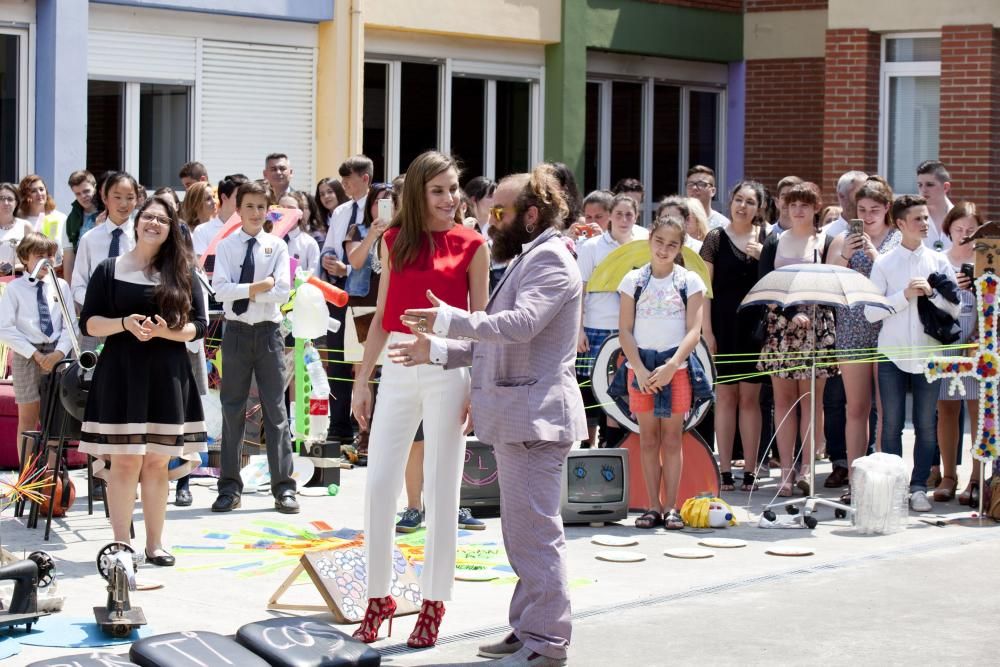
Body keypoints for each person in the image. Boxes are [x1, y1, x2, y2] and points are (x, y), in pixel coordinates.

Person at [389, 163, 588, 666]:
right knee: (522, 534)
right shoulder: (533, 255)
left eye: (501, 210)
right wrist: (436, 350)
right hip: (522, 416)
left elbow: (519, 326)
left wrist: (451, 320)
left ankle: (547, 643)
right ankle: (528, 629)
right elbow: (495, 347)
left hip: (535, 416)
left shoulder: (550, 260)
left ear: (532, 214)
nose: (491, 218)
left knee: (536, 535)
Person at [348, 151, 488, 648]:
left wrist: (478, 387)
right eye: (439, 191)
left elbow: (482, 326)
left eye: (454, 189)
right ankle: (377, 597)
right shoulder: (392, 240)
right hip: (397, 374)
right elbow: (384, 314)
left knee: (442, 489)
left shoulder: (474, 244)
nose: (451, 199)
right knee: (380, 486)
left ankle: (433, 601)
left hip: (449, 375)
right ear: (417, 195)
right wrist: (363, 380)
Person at [78, 195, 208, 566]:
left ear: (171, 230)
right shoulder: (109, 268)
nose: (154, 224)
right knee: (123, 462)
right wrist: (125, 324)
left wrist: (166, 331)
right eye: (148, 217)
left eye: (162, 220)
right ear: (136, 222)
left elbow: (199, 325)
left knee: (155, 463)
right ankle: (121, 546)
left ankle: (155, 544)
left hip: (167, 374)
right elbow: (89, 322)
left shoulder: (182, 271)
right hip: (121, 372)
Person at [865, 194, 959, 512]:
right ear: (901, 223)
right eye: (917, 218)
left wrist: (932, 294)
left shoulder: (939, 261)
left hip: (929, 356)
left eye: (925, 218)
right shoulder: (884, 262)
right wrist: (904, 296)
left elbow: (955, 308)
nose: (924, 223)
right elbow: (870, 313)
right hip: (891, 355)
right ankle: (894, 487)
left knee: (925, 423)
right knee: (890, 424)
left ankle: (919, 486)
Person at [211, 182, 299, 515]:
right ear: (239, 209)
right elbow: (219, 291)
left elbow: (281, 291)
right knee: (232, 409)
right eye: (249, 206)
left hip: (268, 333)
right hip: (235, 332)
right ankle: (229, 487)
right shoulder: (227, 246)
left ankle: (284, 488)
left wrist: (246, 290)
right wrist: (259, 286)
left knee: (276, 412)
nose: (256, 213)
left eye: (262, 207)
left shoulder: (276, 245)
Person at [618, 215, 707, 529]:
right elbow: (625, 331)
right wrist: (640, 370)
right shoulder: (633, 281)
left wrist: (672, 366)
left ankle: (672, 506)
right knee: (648, 440)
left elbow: (694, 331)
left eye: (672, 244)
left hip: (676, 369)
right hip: (640, 369)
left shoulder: (689, 281)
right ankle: (652, 507)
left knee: (673, 440)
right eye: (659, 241)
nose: (664, 249)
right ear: (649, 240)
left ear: (680, 247)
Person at [757, 183, 838, 496]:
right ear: (785, 208)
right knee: (783, 403)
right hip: (781, 325)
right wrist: (789, 314)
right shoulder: (774, 241)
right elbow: (765, 286)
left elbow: (833, 283)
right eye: (793, 205)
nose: (799, 210)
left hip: (817, 325)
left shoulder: (826, 240)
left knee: (811, 403)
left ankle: (807, 468)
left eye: (805, 204)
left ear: (815, 207)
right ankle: (786, 470)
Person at [826, 179, 900, 497]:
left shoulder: (898, 240)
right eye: (862, 210)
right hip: (852, 327)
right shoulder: (843, 237)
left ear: (887, 210)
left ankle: (881, 480)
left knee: (885, 409)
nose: (868, 217)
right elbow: (828, 281)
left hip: (888, 329)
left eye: (874, 210)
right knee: (855, 407)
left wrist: (875, 257)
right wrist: (844, 255)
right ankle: (856, 480)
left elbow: (899, 284)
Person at [700, 180, 768, 491]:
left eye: (750, 202)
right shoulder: (714, 238)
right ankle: (724, 469)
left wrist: (763, 258)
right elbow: (704, 291)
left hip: (754, 328)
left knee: (750, 399)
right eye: (738, 199)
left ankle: (751, 470)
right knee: (725, 398)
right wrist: (707, 332)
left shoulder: (767, 239)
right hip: (722, 326)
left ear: (759, 208)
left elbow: (775, 286)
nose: (743, 206)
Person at [576, 194, 649, 448]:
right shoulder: (592, 247)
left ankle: (617, 446)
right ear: (610, 217)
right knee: (592, 392)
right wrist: (579, 330)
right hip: (596, 327)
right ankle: (588, 449)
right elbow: (580, 291)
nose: (624, 219)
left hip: (632, 329)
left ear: (636, 216)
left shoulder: (645, 244)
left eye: (629, 214)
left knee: (625, 391)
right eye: (619, 214)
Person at [0, 232, 75, 464]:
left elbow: (70, 325)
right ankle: (27, 476)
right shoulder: (15, 289)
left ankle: (53, 474)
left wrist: (58, 353)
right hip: (27, 354)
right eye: (40, 255)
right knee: (28, 419)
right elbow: (5, 328)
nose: (47, 260)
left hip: (56, 356)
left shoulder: (60, 286)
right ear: (25, 258)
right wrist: (33, 354)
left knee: (53, 418)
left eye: (51, 255)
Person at [322, 155, 373, 443]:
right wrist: (329, 260)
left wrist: (349, 267)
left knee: (366, 359)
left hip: (364, 295)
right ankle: (339, 426)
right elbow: (329, 245)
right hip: (339, 294)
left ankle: (364, 429)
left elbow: (375, 254)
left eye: (348, 180)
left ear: (364, 178)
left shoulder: (379, 208)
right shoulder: (341, 212)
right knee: (338, 359)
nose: (344, 185)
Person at [933, 202, 981, 502]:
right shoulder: (936, 261)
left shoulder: (988, 261)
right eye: (958, 228)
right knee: (946, 411)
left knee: (978, 412)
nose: (964, 235)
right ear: (948, 229)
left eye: (971, 229)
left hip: (977, 347)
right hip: (942, 346)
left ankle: (977, 478)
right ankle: (948, 475)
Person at [72, 172, 141, 308]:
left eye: (130, 198)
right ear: (105, 198)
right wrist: (97, 302)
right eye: (117, 197)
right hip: (99, 316)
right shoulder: (89, 239)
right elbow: (78, 285)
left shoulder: (141, 237)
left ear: (137, 200)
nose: (123, 204)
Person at [192, 174, 248, 260]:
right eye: (239, 197)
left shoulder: (251, 228)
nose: (244, 201)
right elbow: (201, 267)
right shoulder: (202, 231)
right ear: (224, 197)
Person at [62, 170, 102, 283]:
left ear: (95, 187)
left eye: (86, 191)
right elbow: (69, 259)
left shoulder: (108, 212)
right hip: (82, 278)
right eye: (77, 194)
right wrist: (68, 291)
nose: (83, 196)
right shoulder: (71, 219)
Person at [16, 175, 68, 261]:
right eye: (33, 191)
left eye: (41, 189)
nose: (39, 194)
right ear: (25, 195)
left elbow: (67, 248)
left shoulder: (60, 217)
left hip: (57, 269)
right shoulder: (20, 220)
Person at [279, 192, 321, 275]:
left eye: (291, 208)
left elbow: (313, 277)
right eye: (282, 208)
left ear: (301, 214)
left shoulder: (309, 244)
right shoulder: (268, 239)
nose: (286, 212)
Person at [916, 160, 954, 252]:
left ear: (945, 187)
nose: (923, 190)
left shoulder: (961, 217)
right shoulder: (912, 217)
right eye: (920, 185)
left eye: (929, 185)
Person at [822, 170, 867, 237]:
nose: (867, 198)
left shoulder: (882, 232)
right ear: (842, 196)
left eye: (869, 193)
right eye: (861, 193)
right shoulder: (825, 235)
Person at [685, 166, 729, 230]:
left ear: (713, 191)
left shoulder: (723, 225)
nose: (694, 188)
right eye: (690, 184)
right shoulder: (679, 221)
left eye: (701, 184)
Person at [0, 183, 29, 276]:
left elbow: (33, 260)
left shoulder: (25, 226)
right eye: (1, 198)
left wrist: (10, 268)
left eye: (10, 199)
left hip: (18, 281)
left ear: (16, 203)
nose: (6, 203)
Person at [315, 177, 349, 246]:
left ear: (339, 192)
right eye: (322, 194)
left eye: (330, 192)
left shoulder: (350, 215)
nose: (326, 196)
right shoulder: (319, 222)